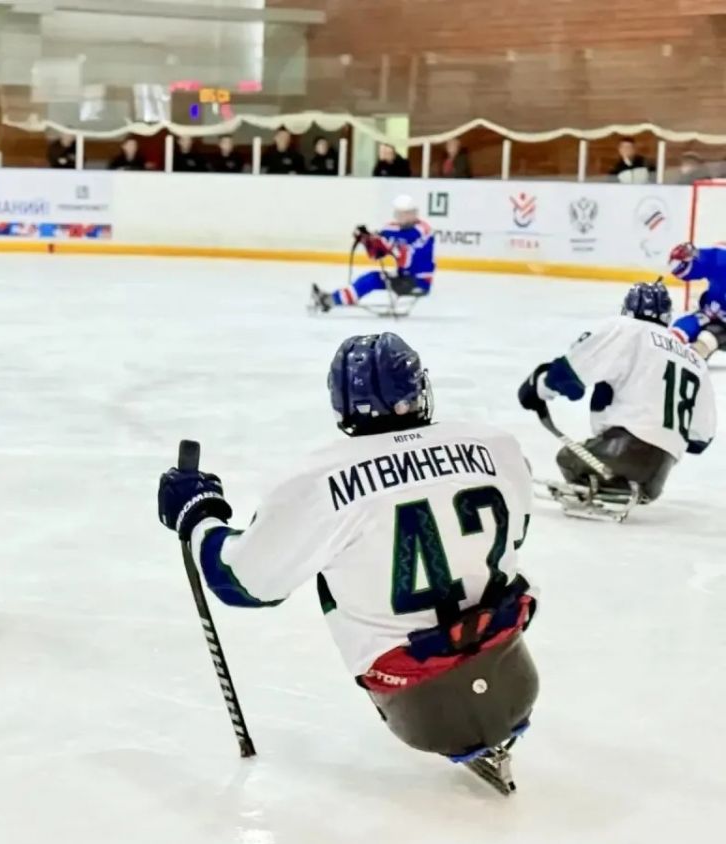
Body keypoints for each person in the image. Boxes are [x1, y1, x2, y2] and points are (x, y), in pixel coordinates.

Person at [157, 333, 538, 792]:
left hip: (424, 710)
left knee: (333, 558)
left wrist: (197, 513)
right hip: (515, 678)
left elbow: (241, 584)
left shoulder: (319, 480)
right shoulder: (495, 446)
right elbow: (515, 533)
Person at [518, 282, 715, 509]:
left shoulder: (626, 328)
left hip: (615, 457)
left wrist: (538, 386)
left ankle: (601, 484)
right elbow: (700, 440)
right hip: (656, 477)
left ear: (628, 309)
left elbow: (567, 378)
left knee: (567, 458)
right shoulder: (695, 360)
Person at [312, 195, 435, 311]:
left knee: (372, 279)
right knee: (371, 279)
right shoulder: (395, 229)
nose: (402, 218)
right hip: (404, 278)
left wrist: (378, 238)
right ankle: (332, 299)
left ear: (413, 213)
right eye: (399, 214)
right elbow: (378, 252)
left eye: (405, 214)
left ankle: (331, 300)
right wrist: (368, 241)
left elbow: (405, 240)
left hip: (418, 282)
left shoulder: (423, 229)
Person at [669, 242, 726, 358]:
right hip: (710, 313)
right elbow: (682, 269)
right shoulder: (721, 255)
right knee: (678, 331)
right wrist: (683, 260)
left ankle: (696, 356)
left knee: (707, 339)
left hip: (718, 327)